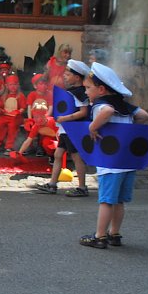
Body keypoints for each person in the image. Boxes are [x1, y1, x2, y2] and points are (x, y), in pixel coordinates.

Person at [79, 62, 148, 249]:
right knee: (119, 201)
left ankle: (99, 236)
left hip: (110, 162)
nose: (86, 92)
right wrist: (128, 130)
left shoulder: (100, 105)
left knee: (105, 201)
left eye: (88, 88)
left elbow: (108, 112)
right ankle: (114, 233)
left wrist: (93, 127)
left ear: (101, 89)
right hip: (127, 161)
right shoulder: (125, 106)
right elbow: (144, 115)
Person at [36, 59, 91, 196]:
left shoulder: (79, 92)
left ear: (77, 77)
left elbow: (83, 112)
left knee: (76, 157)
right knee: (58, 154)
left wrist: (64, 119)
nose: (64, 75)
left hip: (73, 129)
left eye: (68, 73)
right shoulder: (72, 91)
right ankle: (52, 184)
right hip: (66, 129)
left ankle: (82, 187)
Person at [0, 75, 26, 151]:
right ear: (7, 86)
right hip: (5, 116)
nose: (13, 87)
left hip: (16, 117)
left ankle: (9, 146)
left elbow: (23, 108)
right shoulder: (4, 96)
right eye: (11, 85)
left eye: (15, 84)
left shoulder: (20, 96)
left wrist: (17, 112)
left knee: (12, 126)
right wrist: (1, 110)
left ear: (18, 85)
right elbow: (0, 107)